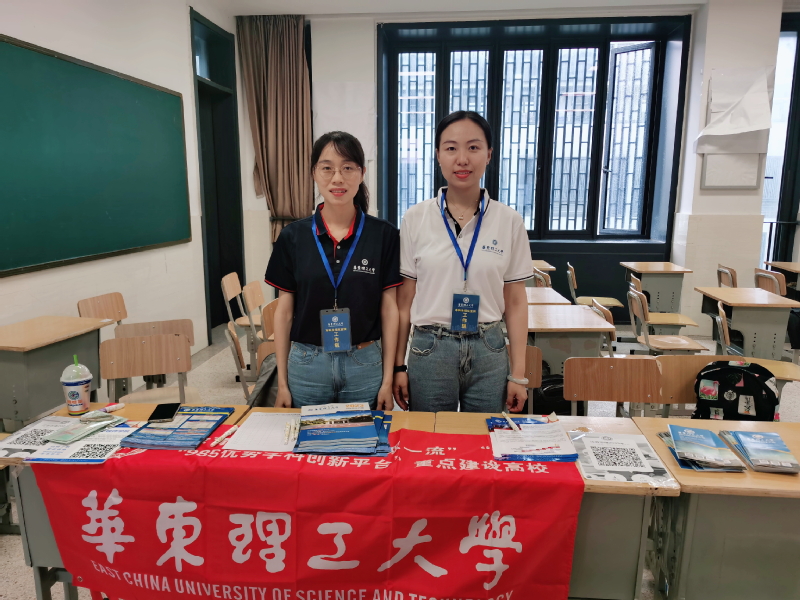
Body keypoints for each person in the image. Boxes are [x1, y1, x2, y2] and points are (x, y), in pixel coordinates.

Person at [392, 111, 533, 413]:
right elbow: (404, 301)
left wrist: (518, 374)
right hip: (431, 348)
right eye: (451, 148)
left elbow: (516, 301)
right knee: (430, 437)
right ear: (438, 155)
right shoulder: (415, 218)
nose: (462, 159)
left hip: (489, 348)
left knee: (483, 437)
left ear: (489, 154)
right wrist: (398, 365)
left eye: (473, 147)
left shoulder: (509, 221)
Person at [265, 131, 402, 410]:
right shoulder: (293, 236)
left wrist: (387, 380)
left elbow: (390, 311)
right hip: (307, 365)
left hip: (364, 364)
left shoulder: (384, 235)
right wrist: (282, 384)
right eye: (327, 168)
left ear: (362, 173)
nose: (337, 178)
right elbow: (284, 312)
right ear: (314, 173)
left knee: (363, 439)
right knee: (309, 437)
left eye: (347, 168)